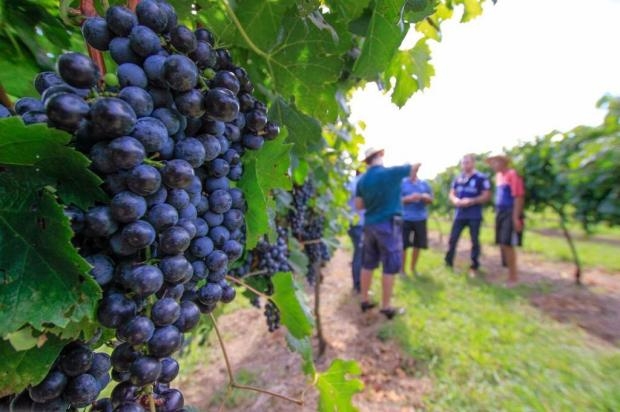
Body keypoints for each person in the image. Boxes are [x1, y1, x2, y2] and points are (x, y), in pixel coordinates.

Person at [355, 147, 418, 319]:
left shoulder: (362, 181)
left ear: (366, 161)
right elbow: (414, 166)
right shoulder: (391, 173)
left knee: (367, 263)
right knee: (389, 266)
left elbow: (359, 206)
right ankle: (386, 306)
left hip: (369, 224)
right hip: (389, 225)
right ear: (380, 156)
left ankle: (365, 300)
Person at [444, 154, 491, 275]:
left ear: (473, 163)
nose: (465, 165)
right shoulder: (458, 178)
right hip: (459, 214)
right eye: (463, 163)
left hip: (474, 215)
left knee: (474, 240)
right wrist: (456, 200)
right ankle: (448, 263)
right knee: (453, 239)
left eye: (467, 162)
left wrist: (472, 201)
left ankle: (474, 265)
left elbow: (486, 195)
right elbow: (452, 193)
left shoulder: (481, 178)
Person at [487, 153, 525, 285]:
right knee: (502, 243)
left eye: (495, 162)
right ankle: (508, 274)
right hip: (501, 213)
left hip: (510, 212)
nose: (492, 165)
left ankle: (513, 277)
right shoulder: (498, 177)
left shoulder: (512, 175)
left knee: (508, 244)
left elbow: (518, 196)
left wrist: (516, 218)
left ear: (503, 162)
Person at [400, 163, 433, 276]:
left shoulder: (424, 184)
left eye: (416, 170)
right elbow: (396, 200)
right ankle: (402, 270)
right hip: (405, 218)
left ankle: (413, 269)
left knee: (417, 245)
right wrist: (408, 198)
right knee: (403, 245)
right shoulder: (402, 184)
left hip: (420, 218)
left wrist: (424, 197)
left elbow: (430, 199)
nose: (414, 171)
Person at [347, 171, 364, 293]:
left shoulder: (352, 182)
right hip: (357, 224)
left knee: (360, 253)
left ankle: (359, 284)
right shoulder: (358, 182)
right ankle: (358, 285)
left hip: (356, 224)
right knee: (360, 253)